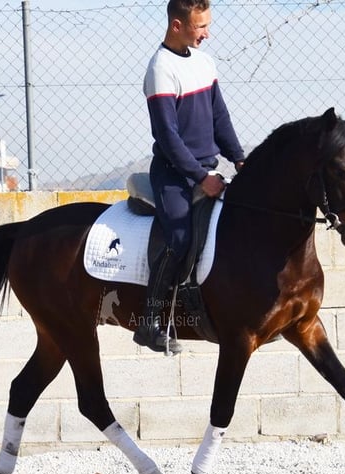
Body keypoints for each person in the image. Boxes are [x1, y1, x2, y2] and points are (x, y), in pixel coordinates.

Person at [134, 0, 245, 354]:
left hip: (205, 169)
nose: (207, 34)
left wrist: (240, 159)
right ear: (177, 26)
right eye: (201, 27)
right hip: (173, 174)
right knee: (180, 238)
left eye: (207, 25)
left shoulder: (204, 62)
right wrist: (200, 178)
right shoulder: (160, 69)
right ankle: (150, 323)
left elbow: (220, 117)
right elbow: (168, 138)